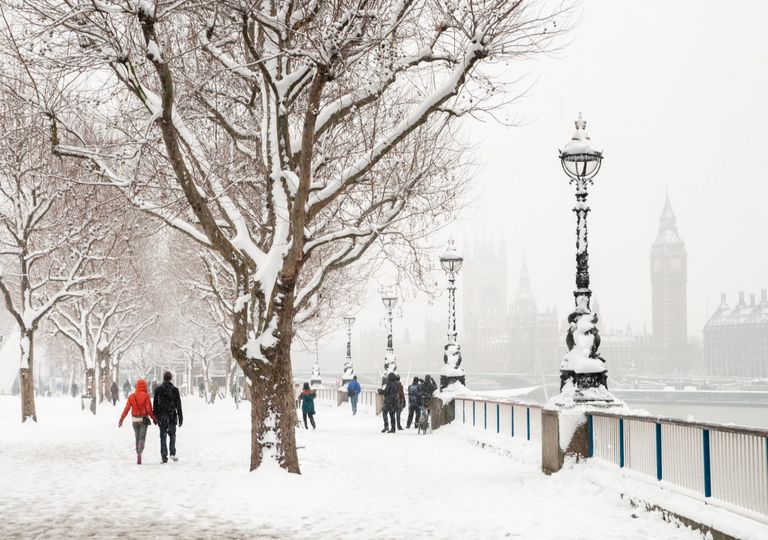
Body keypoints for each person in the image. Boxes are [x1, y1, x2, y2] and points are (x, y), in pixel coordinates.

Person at [118, 379, 156, 465]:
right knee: (142, 438)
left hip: (135, 420)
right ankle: (140, 453)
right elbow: (149, 410)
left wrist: (121, 419)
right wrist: (154, 419)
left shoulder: (132, 396)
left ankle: (138, 454)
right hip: (143, 420)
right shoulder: (146, 396)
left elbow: (126, 409)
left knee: (137, 437)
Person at [153, 371, 183, 464]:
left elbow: (155, 405)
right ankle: (172, 453)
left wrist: (155, 417)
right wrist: (180, 417)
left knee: (163, 436)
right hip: (172, 416)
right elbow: (178, 405)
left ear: (163, 378)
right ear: (171, 378)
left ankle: (164, 456)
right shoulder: (175, 390)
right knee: (172, 435)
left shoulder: (158, 390)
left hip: (162, 417)